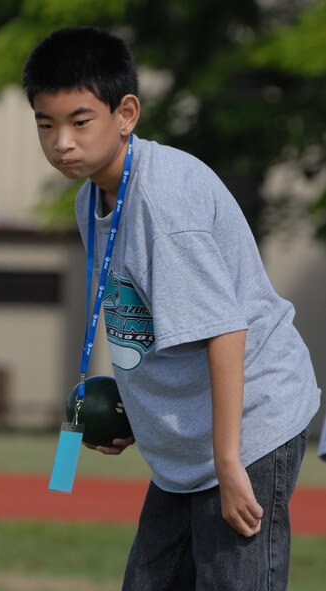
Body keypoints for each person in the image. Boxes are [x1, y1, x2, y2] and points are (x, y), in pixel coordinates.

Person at [22, 27, 321, 590]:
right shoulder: (92, 198)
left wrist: (231, 465)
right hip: (192, 443)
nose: (62, 141)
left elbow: (226, 331)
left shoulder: (165, 205)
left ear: (126, 113)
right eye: (45, 123)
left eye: (80, 121)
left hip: (249, 424)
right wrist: (140, 416)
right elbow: (149, 320)